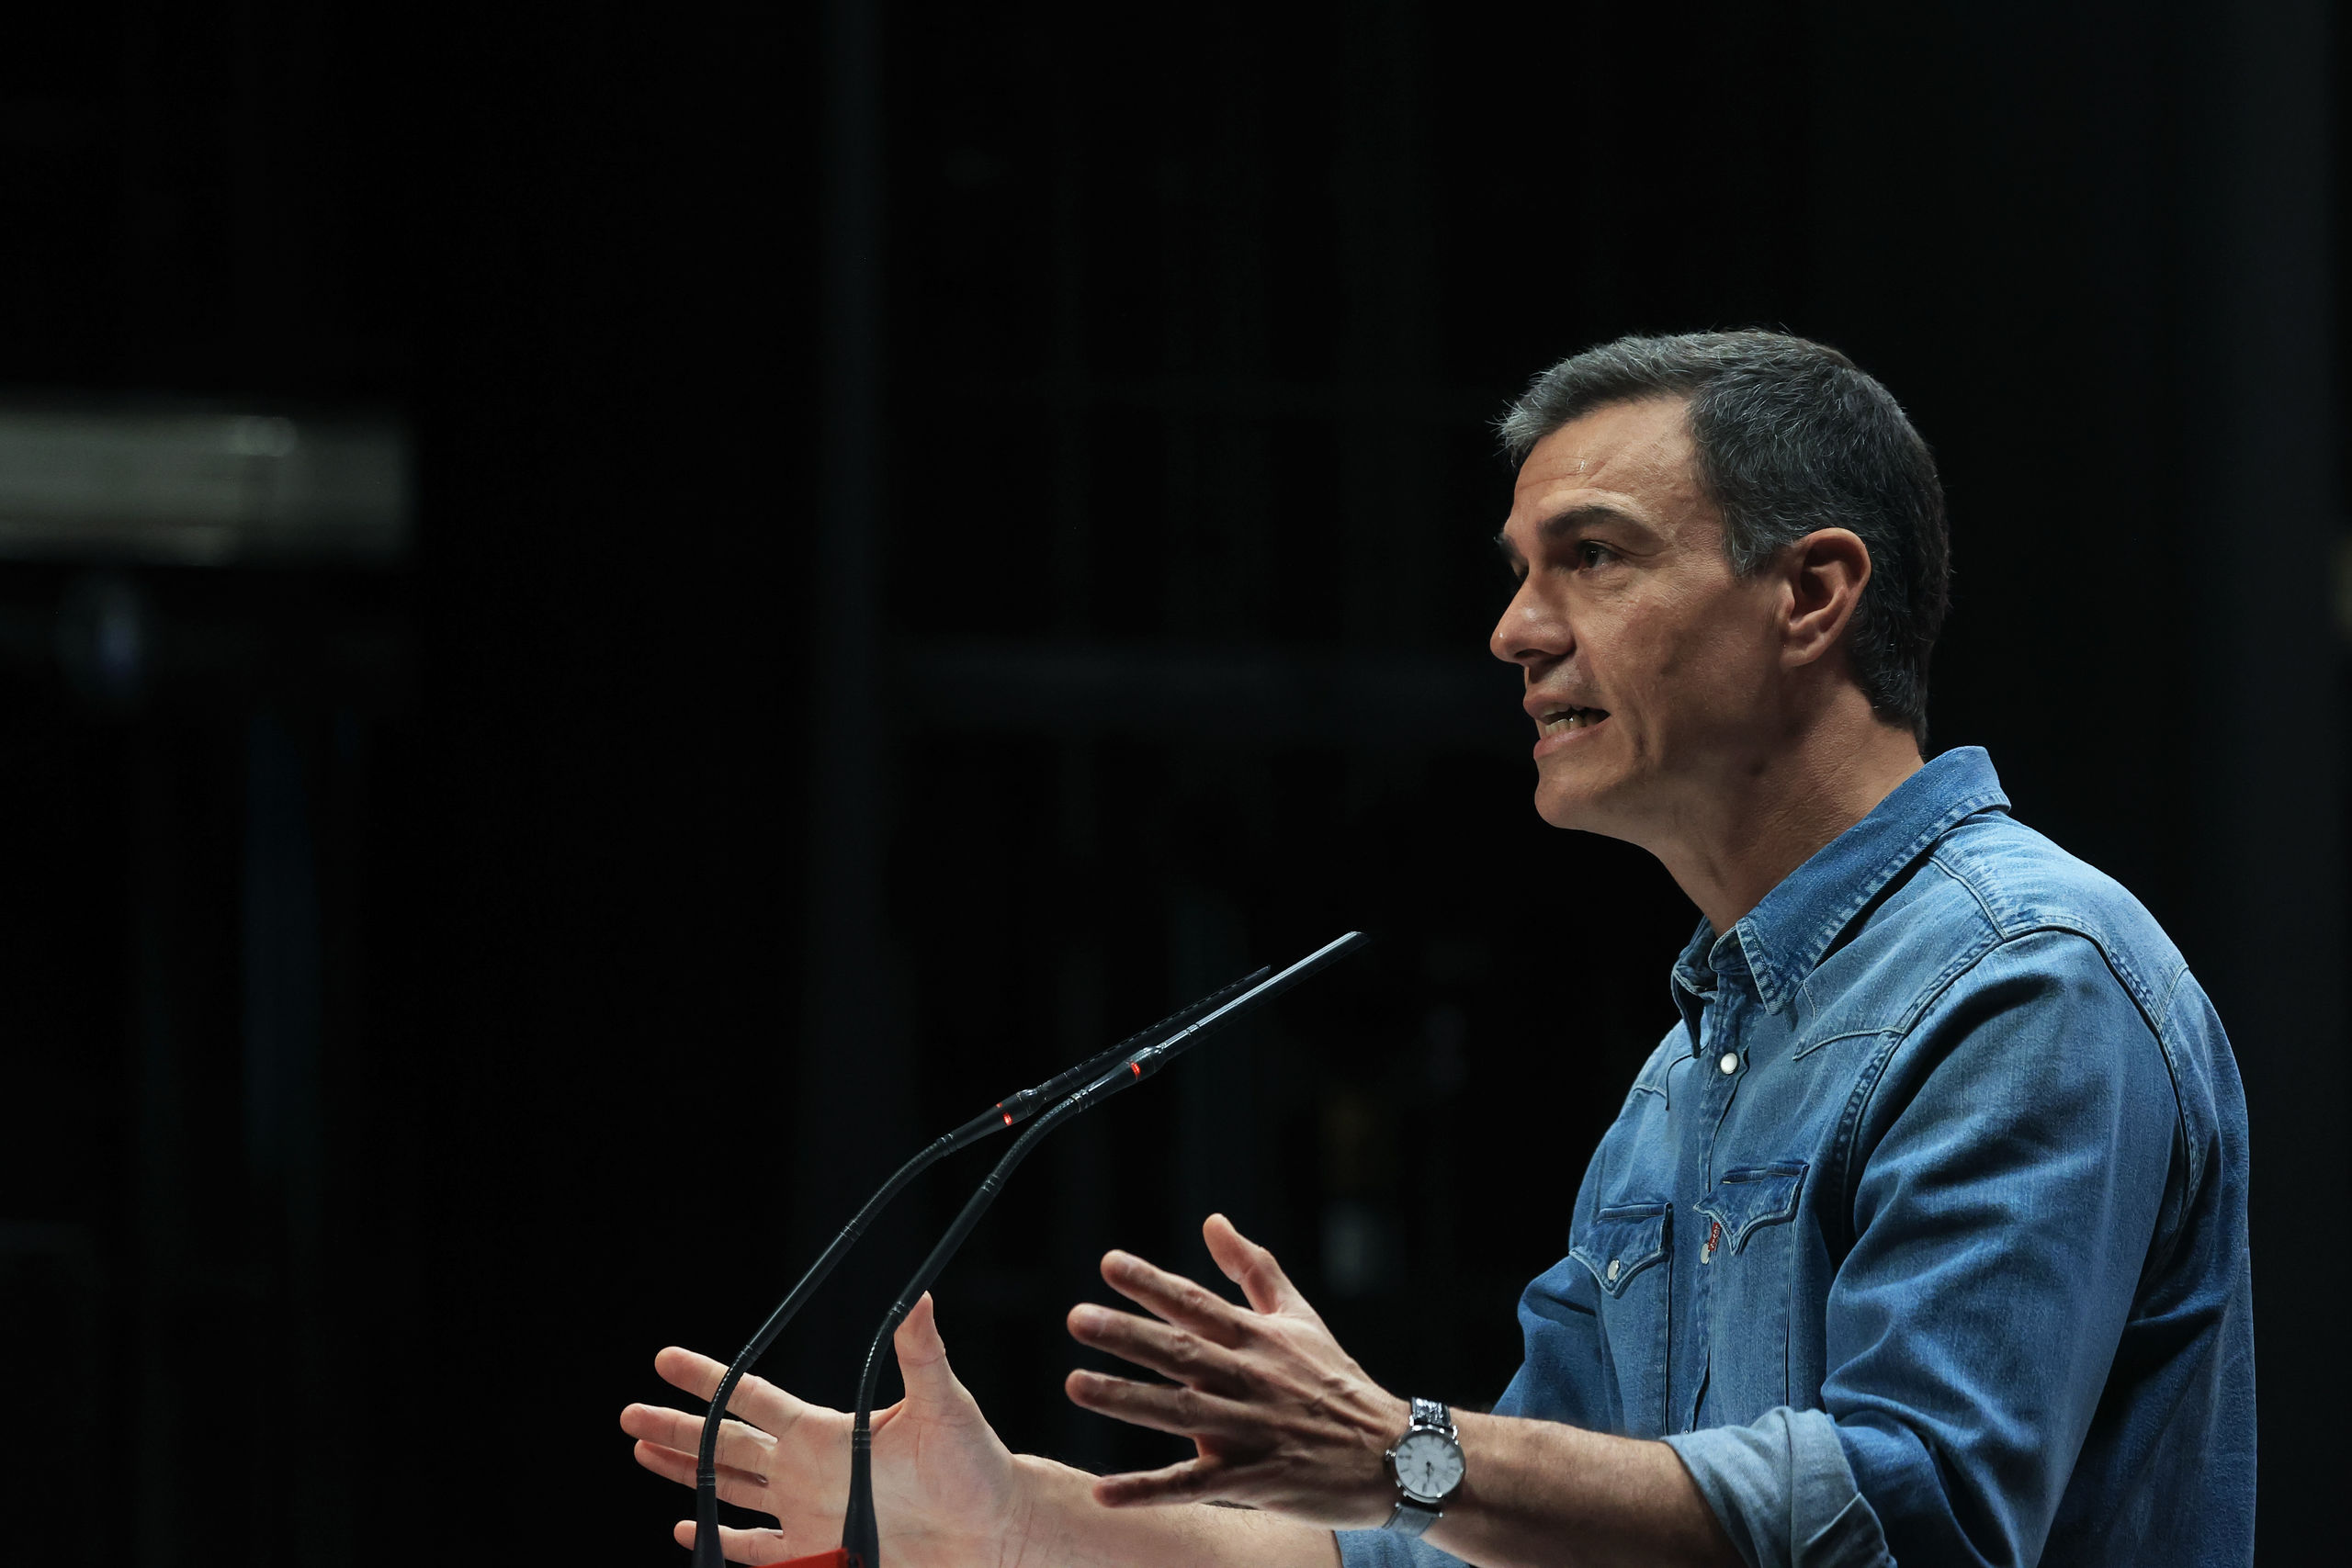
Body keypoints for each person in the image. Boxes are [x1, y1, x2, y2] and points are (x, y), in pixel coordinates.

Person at [620, 332, 2255, 1567]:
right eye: (1519, 574)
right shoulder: (1687, 1079)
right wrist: (1023, 1526)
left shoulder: (2025, 978)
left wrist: (1411, 1452)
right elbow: (1464, 1545)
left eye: (1592, 557)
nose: (1516, 630)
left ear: (1813, 593)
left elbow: (1921, 1514)